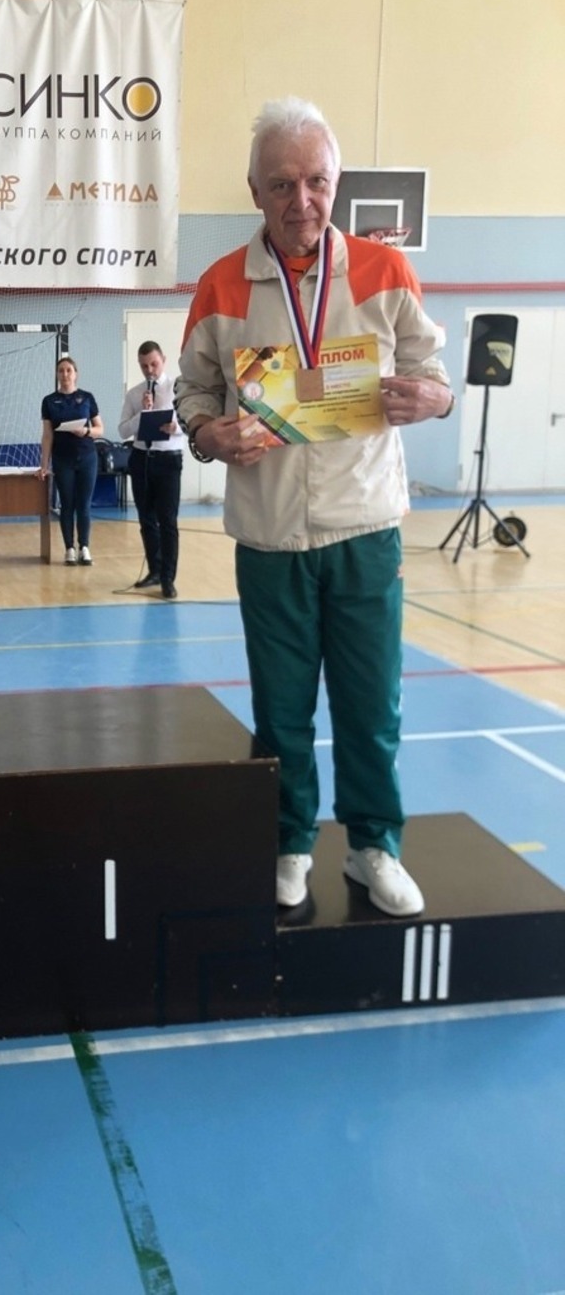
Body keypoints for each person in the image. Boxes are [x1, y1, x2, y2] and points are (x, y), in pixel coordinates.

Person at [175, 96, 454, 918]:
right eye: (282, 184)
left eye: (317, 181)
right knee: (281, 711)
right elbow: (191, 394)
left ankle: (374, 845)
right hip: (269, 539)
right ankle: (289, 841)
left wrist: (432, 399)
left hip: (365, 530)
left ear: (337, 182)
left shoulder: (385, 271)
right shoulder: (220, 285)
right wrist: (208, 434)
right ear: (254, 190)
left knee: (371, 707)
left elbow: (436, 376)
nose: (302, 200)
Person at [118, 339, 184, 598]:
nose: (150, 370)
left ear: (163, 360)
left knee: (167, 520)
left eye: (154, 364)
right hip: (141, 458)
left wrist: (176, 428)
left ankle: (168, 578)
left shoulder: (177, 389)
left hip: (168, 459)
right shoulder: (134, 394)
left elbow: (191, 423)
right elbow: (122, 430)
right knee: (146, 519)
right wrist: (142, 414)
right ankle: (154, 570)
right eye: (144, 366)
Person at [38, 356, 104, 564]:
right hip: (62, 459)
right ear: (57, 375)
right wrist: (44, 465)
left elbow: (100, 429)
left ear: (76, 374)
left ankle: (84, 546)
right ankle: (69, 549)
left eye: (69, 370)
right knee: (67, 504)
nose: (65, 374)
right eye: (61, 371)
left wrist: (86, 431)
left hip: (87, 457)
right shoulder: (49, 401)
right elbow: (47, 435)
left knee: (84, 504)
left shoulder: (87, 398)